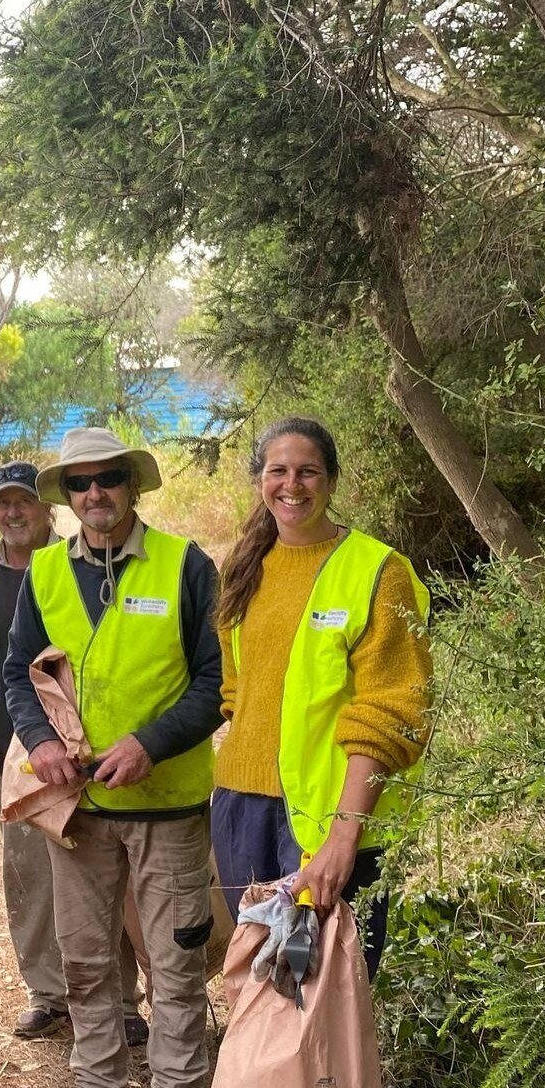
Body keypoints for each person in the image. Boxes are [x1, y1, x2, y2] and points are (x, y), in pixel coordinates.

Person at [4, 428, 222, 1088]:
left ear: (131, 486)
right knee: (88, 960)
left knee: (176, 960)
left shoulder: (187, 566)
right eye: (78, 483)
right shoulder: (42, 575)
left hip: (167, 805)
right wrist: (38, 743)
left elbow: (213, 685)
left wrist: (149, 745)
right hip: (79, 811)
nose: (94, 494)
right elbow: (16, 674)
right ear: (65, 497)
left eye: (107, 480)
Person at [213, 417, 431, 978]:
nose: (293, 484)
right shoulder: (244, 568)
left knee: (327, 987)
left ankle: (335, 1075)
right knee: (257, 986)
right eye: (278, 471)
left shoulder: (376, 571)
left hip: (328, 818)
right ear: (260, 480)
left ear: (332, 480)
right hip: (242, 808)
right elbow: (237, 692)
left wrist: (344, 832)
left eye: (309, 471)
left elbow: (392, 711)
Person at [0, 462, 148, 1046]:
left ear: (46, 509)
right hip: (21, 757)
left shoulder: (72, 565)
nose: (13, 513)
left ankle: (122, 999)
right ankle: (46, 993)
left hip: (86, 753)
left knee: (104, 880)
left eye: (24, 503)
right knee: (30, 882)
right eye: (3, 503)